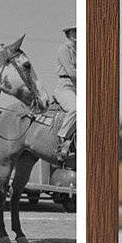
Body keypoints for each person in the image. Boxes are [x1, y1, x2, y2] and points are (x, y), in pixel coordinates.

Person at [53, 26, 76, 162]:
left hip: (79, 87)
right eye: (73, 32)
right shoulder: (63, 49)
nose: (76, 34)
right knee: (77, 109)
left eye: (79, 31)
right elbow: (71, 72)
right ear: (68, 34)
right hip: (65, 87)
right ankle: (63, 139)